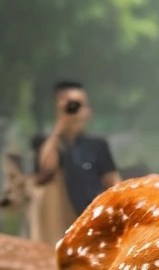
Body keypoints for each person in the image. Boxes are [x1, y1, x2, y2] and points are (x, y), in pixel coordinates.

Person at [32, 81, 121, 217]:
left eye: (78, 104)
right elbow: (46, 169)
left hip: (93, 219)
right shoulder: (47, 143)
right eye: (68, 104)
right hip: (61, 224)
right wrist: (60, 125)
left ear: (88, 111)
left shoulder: (97, 144)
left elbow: (113, 181)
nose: (73, 108)